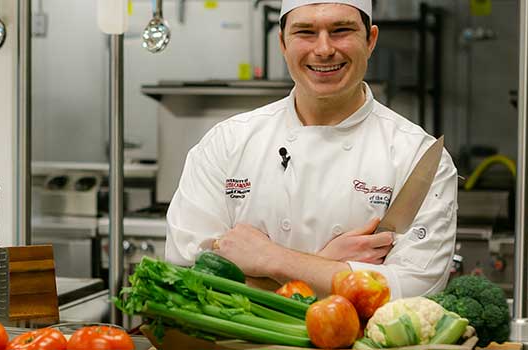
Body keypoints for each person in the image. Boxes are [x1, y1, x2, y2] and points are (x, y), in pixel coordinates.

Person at [164, 0, 458, 299]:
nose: (324, 49)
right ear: (282, 42)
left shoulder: (414, 155)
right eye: (305, 32)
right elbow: (184, 276)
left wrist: (270, 259)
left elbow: (414, 288)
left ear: (370, 40)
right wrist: (329, 265)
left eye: (341, 30)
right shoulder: (226, 143)